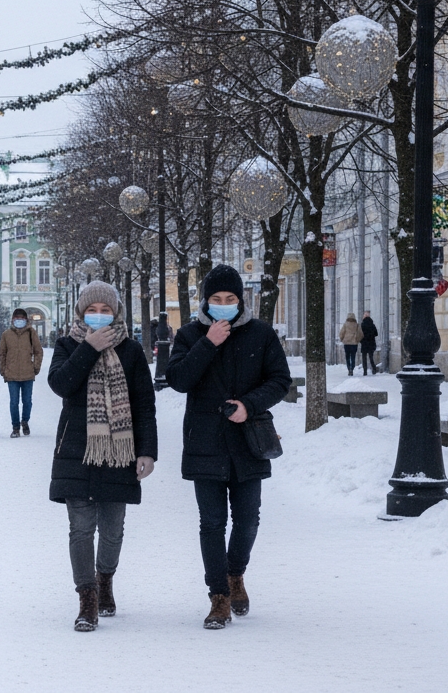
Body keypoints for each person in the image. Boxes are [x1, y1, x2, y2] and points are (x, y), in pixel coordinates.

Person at [166, 264, 291, 630]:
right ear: (206, 301)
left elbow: (279, 380)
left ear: (241, 300)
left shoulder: (261, 334)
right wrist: (209, 343)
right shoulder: (190, 335)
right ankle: (218, 596)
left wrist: (248, 405)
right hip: (205, 440)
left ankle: (236, 573)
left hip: (248, 439)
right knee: (212, 522)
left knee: (248, 519)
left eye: (230, 299)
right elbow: (178, 379)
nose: (223, 305)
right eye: (216, 299)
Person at [48, 281, 158, 632]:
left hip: (119, 452)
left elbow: (144, 405)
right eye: (91, 310)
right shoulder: (67, 345)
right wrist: (89, 349)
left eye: (105, 310)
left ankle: (105, 578)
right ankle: (88, 599)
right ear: (80, 313)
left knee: (112, 530)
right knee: (80, 529)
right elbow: (61, 384)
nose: (98, 316)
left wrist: (148, 452)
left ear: (116, 313)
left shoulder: (132, 350)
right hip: (76, 449)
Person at [0, 307, 42, 437]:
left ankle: (25, 421)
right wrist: (3, 370)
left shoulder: (31, 333)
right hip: (11, 374)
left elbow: (38, 351)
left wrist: (36, 367)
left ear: (26, 320)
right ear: (12, 320)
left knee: (27, 401)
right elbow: (2, 353)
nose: (19, 321)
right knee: (14, 402)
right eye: (17, 318)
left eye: (21, 319)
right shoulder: (6, 334)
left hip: (28, 373)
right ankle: (15, 427)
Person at [360, 311, 379, 375]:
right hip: (371, 343)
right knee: (371, 357)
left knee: (364, 358)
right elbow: (376, 334)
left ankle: (365, 371)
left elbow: (360, 334)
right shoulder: (372, 325)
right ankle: (374, 369)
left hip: (364, 343)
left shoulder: (362, 325)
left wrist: (361, 340)